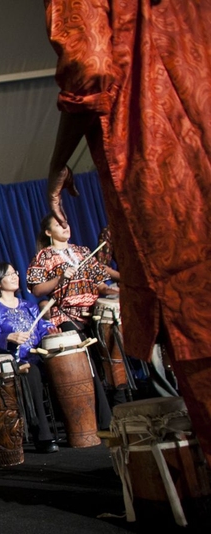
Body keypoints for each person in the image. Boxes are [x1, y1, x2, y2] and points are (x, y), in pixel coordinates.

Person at [43, 0, 211, 463]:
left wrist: (57, 163)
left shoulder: (82, 248)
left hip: (164, 158)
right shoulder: (47, 258)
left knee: (196, 320)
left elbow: (89, 67)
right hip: (71, 319)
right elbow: (45, 289)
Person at [26, 213, 122, 427]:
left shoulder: (83, 251)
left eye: (66, 222)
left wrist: (111, 290)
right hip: (67, 316)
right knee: (88, 368)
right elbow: (36, 289)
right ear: (49, 232)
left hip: (93, 314)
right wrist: (60, 278)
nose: (65, 226)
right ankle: (106, 421)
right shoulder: (44, 256)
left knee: (106, 364)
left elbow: (98, 282)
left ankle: (118, 412)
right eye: (59, 224)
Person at [0, 262, 59, 453]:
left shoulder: (29, 306)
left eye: (15, 272)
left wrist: (50, 333)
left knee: (60, 365)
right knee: (31, 373)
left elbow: (42, 329)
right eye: (9, 274)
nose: (15, 276)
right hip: (14, 361)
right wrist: (8, 337)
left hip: (36, 357)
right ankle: (42, 435)